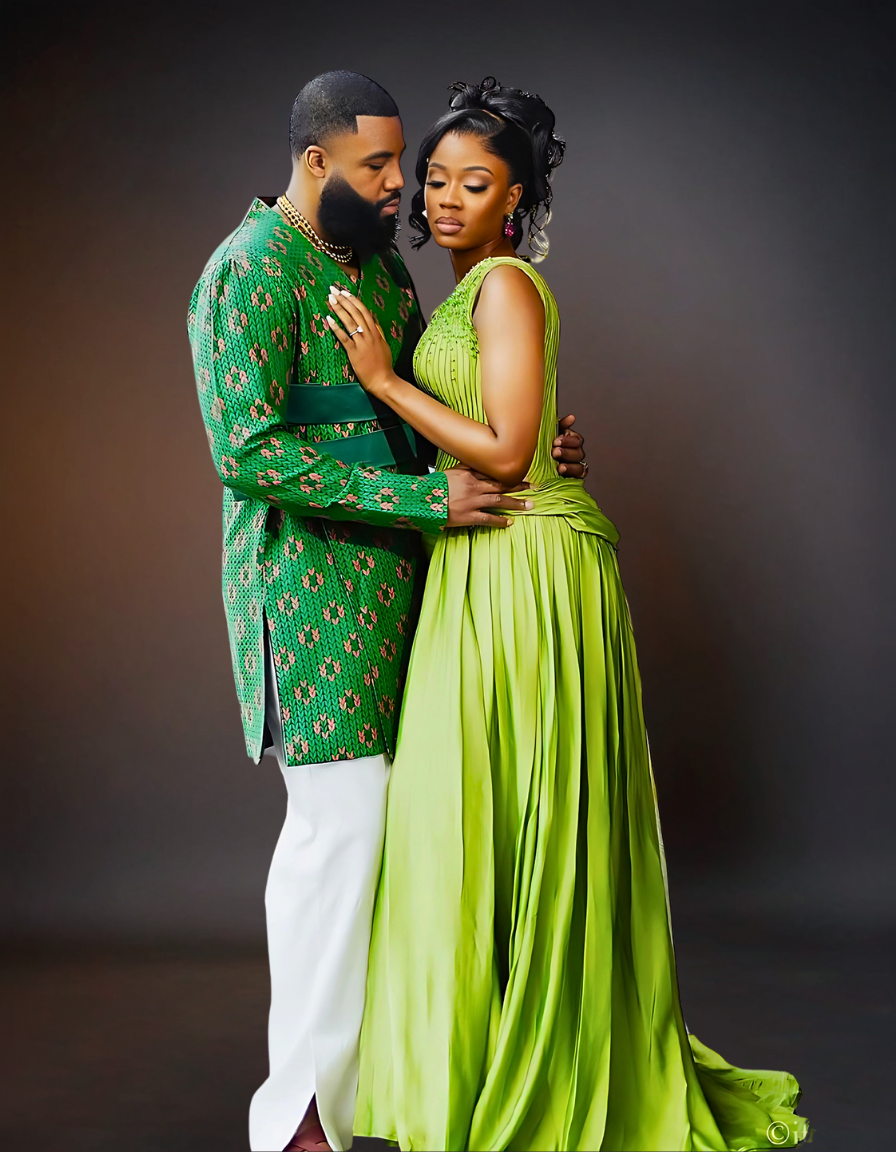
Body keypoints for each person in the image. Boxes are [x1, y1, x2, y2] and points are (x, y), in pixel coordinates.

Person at [324, 77, 810, 1151]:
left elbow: (499, 452)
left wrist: (380, 382)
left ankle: (549, 1065)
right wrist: (532, 435)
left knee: (518, 809)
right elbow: (513, 430)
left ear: (516, 200)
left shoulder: (502, 286)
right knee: (470, 815)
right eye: (437, 180)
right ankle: (479, 1063)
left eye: (476, 183)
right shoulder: (458, 296)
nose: (447, 199)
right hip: (479, 553)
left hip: (524, 562)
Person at [187, 71, 588, 1152]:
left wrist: (535, 439)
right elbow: (246, 450)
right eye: (375, 167)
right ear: (316, 162)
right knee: (336, 836)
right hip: (304, 592)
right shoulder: (247, 272)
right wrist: (422, 495)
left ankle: (376, 1094)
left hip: (407, 590)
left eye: (396, 166)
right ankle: (296, 1117)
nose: (397, 187)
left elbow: (426, 407)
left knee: (395, 844)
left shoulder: (374, 267)